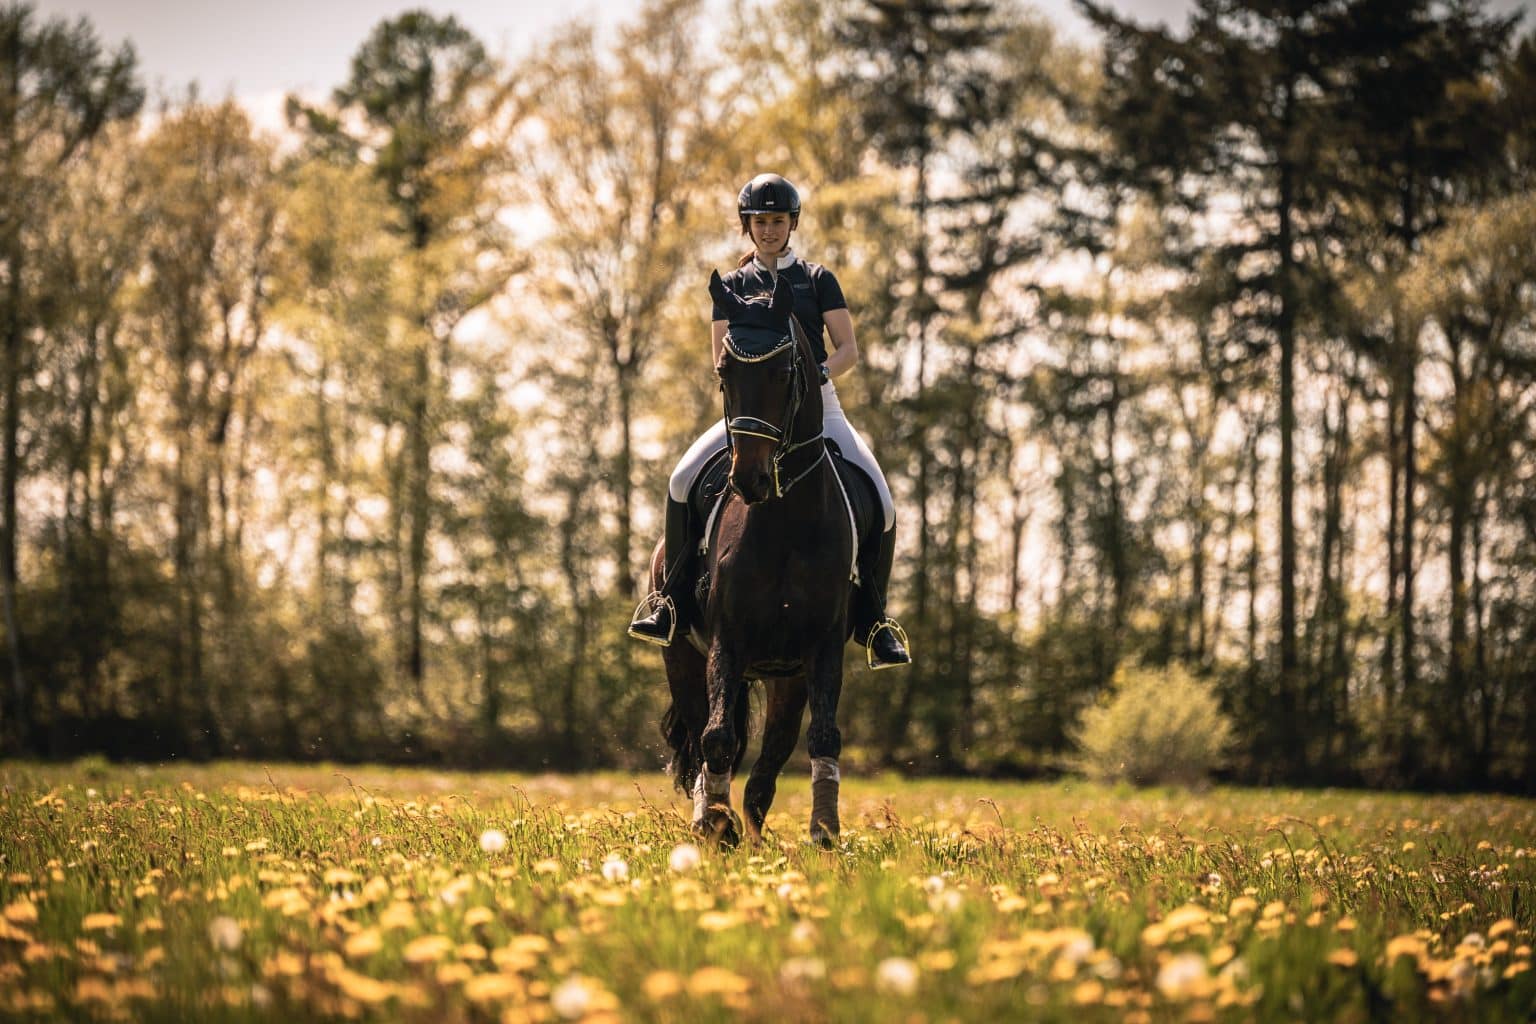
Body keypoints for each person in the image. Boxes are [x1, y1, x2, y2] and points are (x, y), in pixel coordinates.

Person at [628, 173, 911, 669]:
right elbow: (720, 355)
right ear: (748, 226)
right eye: (760, 221)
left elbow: (849, 349)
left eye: (778, 221)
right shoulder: (732, 285)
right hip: (751, 414)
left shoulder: (818, 279)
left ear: (791, 224)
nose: (769, 230)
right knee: (679, 481)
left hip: (819, 409)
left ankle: (874, 619)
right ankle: (668, 602)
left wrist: (818, 371)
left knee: (883, 503)